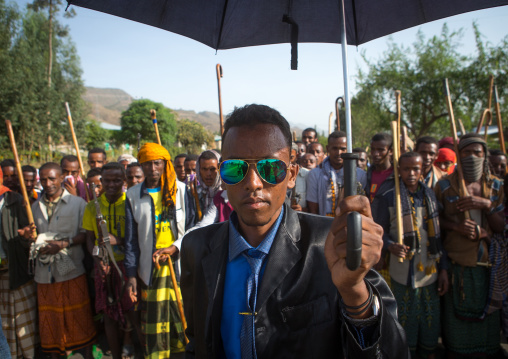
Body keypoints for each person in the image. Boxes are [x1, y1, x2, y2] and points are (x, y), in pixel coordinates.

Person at [180, 104, 409, 358]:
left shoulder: (332, 244)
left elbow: (392, 352)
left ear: (291, 175)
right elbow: (198, 342)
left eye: (270, 169)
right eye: (236, 168)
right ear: (222, 175)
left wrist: (354, 290)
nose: (253, 183)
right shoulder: (196, 248)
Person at [372, 152, 448, 359]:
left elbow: (440, 236)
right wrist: (390, 245)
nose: (412, 173)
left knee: (430, 322)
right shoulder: (388, 195)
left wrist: (444, 270)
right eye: (406, 169)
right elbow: (378, 229)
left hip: (429, 271)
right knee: (405, 322)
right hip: (401, 271)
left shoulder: (430, 196)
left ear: (423, 169)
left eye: (416, 169)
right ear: (399, 170)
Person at [434, 134, 505, 357]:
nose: (472, 157)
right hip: (457, 265)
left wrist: (485, 205)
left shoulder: (496, 186)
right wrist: (457, 228)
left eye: (478, 153)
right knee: (457, 332)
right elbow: (437, 223)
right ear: (459, 154)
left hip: (487, 265)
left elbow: (502, 227)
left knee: (488, 333)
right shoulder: (444, 185)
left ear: (484, 156)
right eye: (466, 153)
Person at [124, 143, 188, 358]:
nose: (152, 169)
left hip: (177, 267)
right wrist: (131, 275)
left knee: (181, 322)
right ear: (141, 165)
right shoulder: (132, 195)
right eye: (147, 164)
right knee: (155, 325)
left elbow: (192, 229)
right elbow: (131, 240)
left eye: (157, 163)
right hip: (150, 269)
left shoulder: (181, 190)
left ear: (164, 164)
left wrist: (175, 247)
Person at [30, 162, 96, 358]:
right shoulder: (34, 206)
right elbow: (35, 236)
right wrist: (29, 238)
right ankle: (56, 352)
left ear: (61, 179)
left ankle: (86, 353)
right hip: (45, 272)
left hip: (71, 268)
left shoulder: (78, 204)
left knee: (78, 315)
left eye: (52, 179)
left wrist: (64, 243)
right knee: (50, 317)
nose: (47, 183)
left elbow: (86, 235)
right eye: (43, 179)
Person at [83, 163, 135, 359]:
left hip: (126, 267)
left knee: (132, 312)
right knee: (109, 316)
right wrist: (97, 259)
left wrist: (118, 241)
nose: (112, 185)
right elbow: (89, 237)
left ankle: (135, 350)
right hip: (103, 267)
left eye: (116, 181)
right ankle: (114, 355)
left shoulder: (130, 203)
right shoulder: (92, 206)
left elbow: (136, 237)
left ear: (124, 181)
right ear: (101, 182)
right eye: (107, 181)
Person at [0, 167, 39, 358]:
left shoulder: (15, 202)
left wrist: (26, 237)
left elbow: (29, 236)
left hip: (14, 269)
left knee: (22, 322)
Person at [306, 131, 367, 216]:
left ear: (349, 149)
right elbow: (313, 209)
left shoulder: (360, 175)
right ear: (328, 149)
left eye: (343, 149)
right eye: (335, 148)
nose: (339, 153)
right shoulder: (315, 174)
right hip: (323, 224)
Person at [366, 133, 393, 202]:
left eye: (380, 150)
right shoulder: (367, 175)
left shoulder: (396, 176)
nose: (375, 154)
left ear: (390, 151)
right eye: (373, 149)